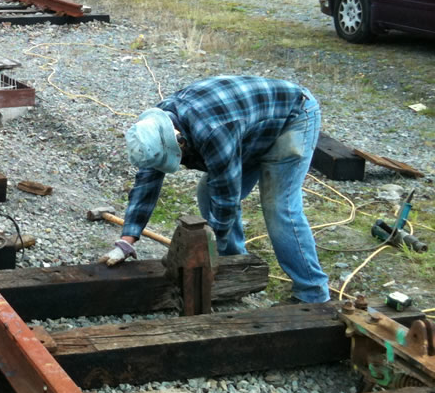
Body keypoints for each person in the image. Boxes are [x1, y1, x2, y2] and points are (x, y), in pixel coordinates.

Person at [105, 75, 330, 304]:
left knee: (279, 207)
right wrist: (127, 239)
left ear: (179, 141)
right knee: (208, 192)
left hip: (292, 116)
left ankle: (312, 293)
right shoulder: (155, 128)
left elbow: (226, 198)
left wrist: (208, 251)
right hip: (252, 127)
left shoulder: (213, 131)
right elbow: (146, 182)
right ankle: (235, 266)